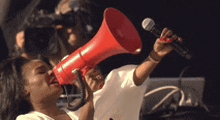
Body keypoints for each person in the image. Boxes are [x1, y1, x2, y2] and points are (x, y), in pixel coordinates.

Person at [68, 27, 182, 120]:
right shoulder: (70, 113)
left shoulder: (114, 79)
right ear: (74, 81)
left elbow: (135, 78)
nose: (91, 72)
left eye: (91, 64)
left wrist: (156, 55)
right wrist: (89, 97)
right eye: (82, 71)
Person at [0, 56, 94, 120]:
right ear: (23, 89)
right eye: (41, 71)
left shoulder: (74, 113)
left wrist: (97, 88)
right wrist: (89, 103)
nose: (51, 72)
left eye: (50, 69)